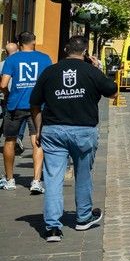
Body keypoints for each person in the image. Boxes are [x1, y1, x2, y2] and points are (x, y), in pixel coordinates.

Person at [28, 37, 116, 243]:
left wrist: (39, 129)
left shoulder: (50, 72)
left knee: (52, 178)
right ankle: (83, 217)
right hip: (84, 131)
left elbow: (34, 103)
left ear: (65, 49)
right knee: (83, 174)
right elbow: (112, 92)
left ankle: (52, 228)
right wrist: (96, 68)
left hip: (54, 130)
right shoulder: (91, 71)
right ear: (85, 51)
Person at [1, 31, 52, 192]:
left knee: (9, 140)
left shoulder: (12, 59)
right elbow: (49, 81)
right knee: (37, 140)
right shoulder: (44, 58)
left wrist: (9, 95)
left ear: (19, 43)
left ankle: (10, 179)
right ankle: (36, 181)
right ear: (34, 41)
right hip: (37, 105)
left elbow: (3, 84)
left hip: (15, 104)